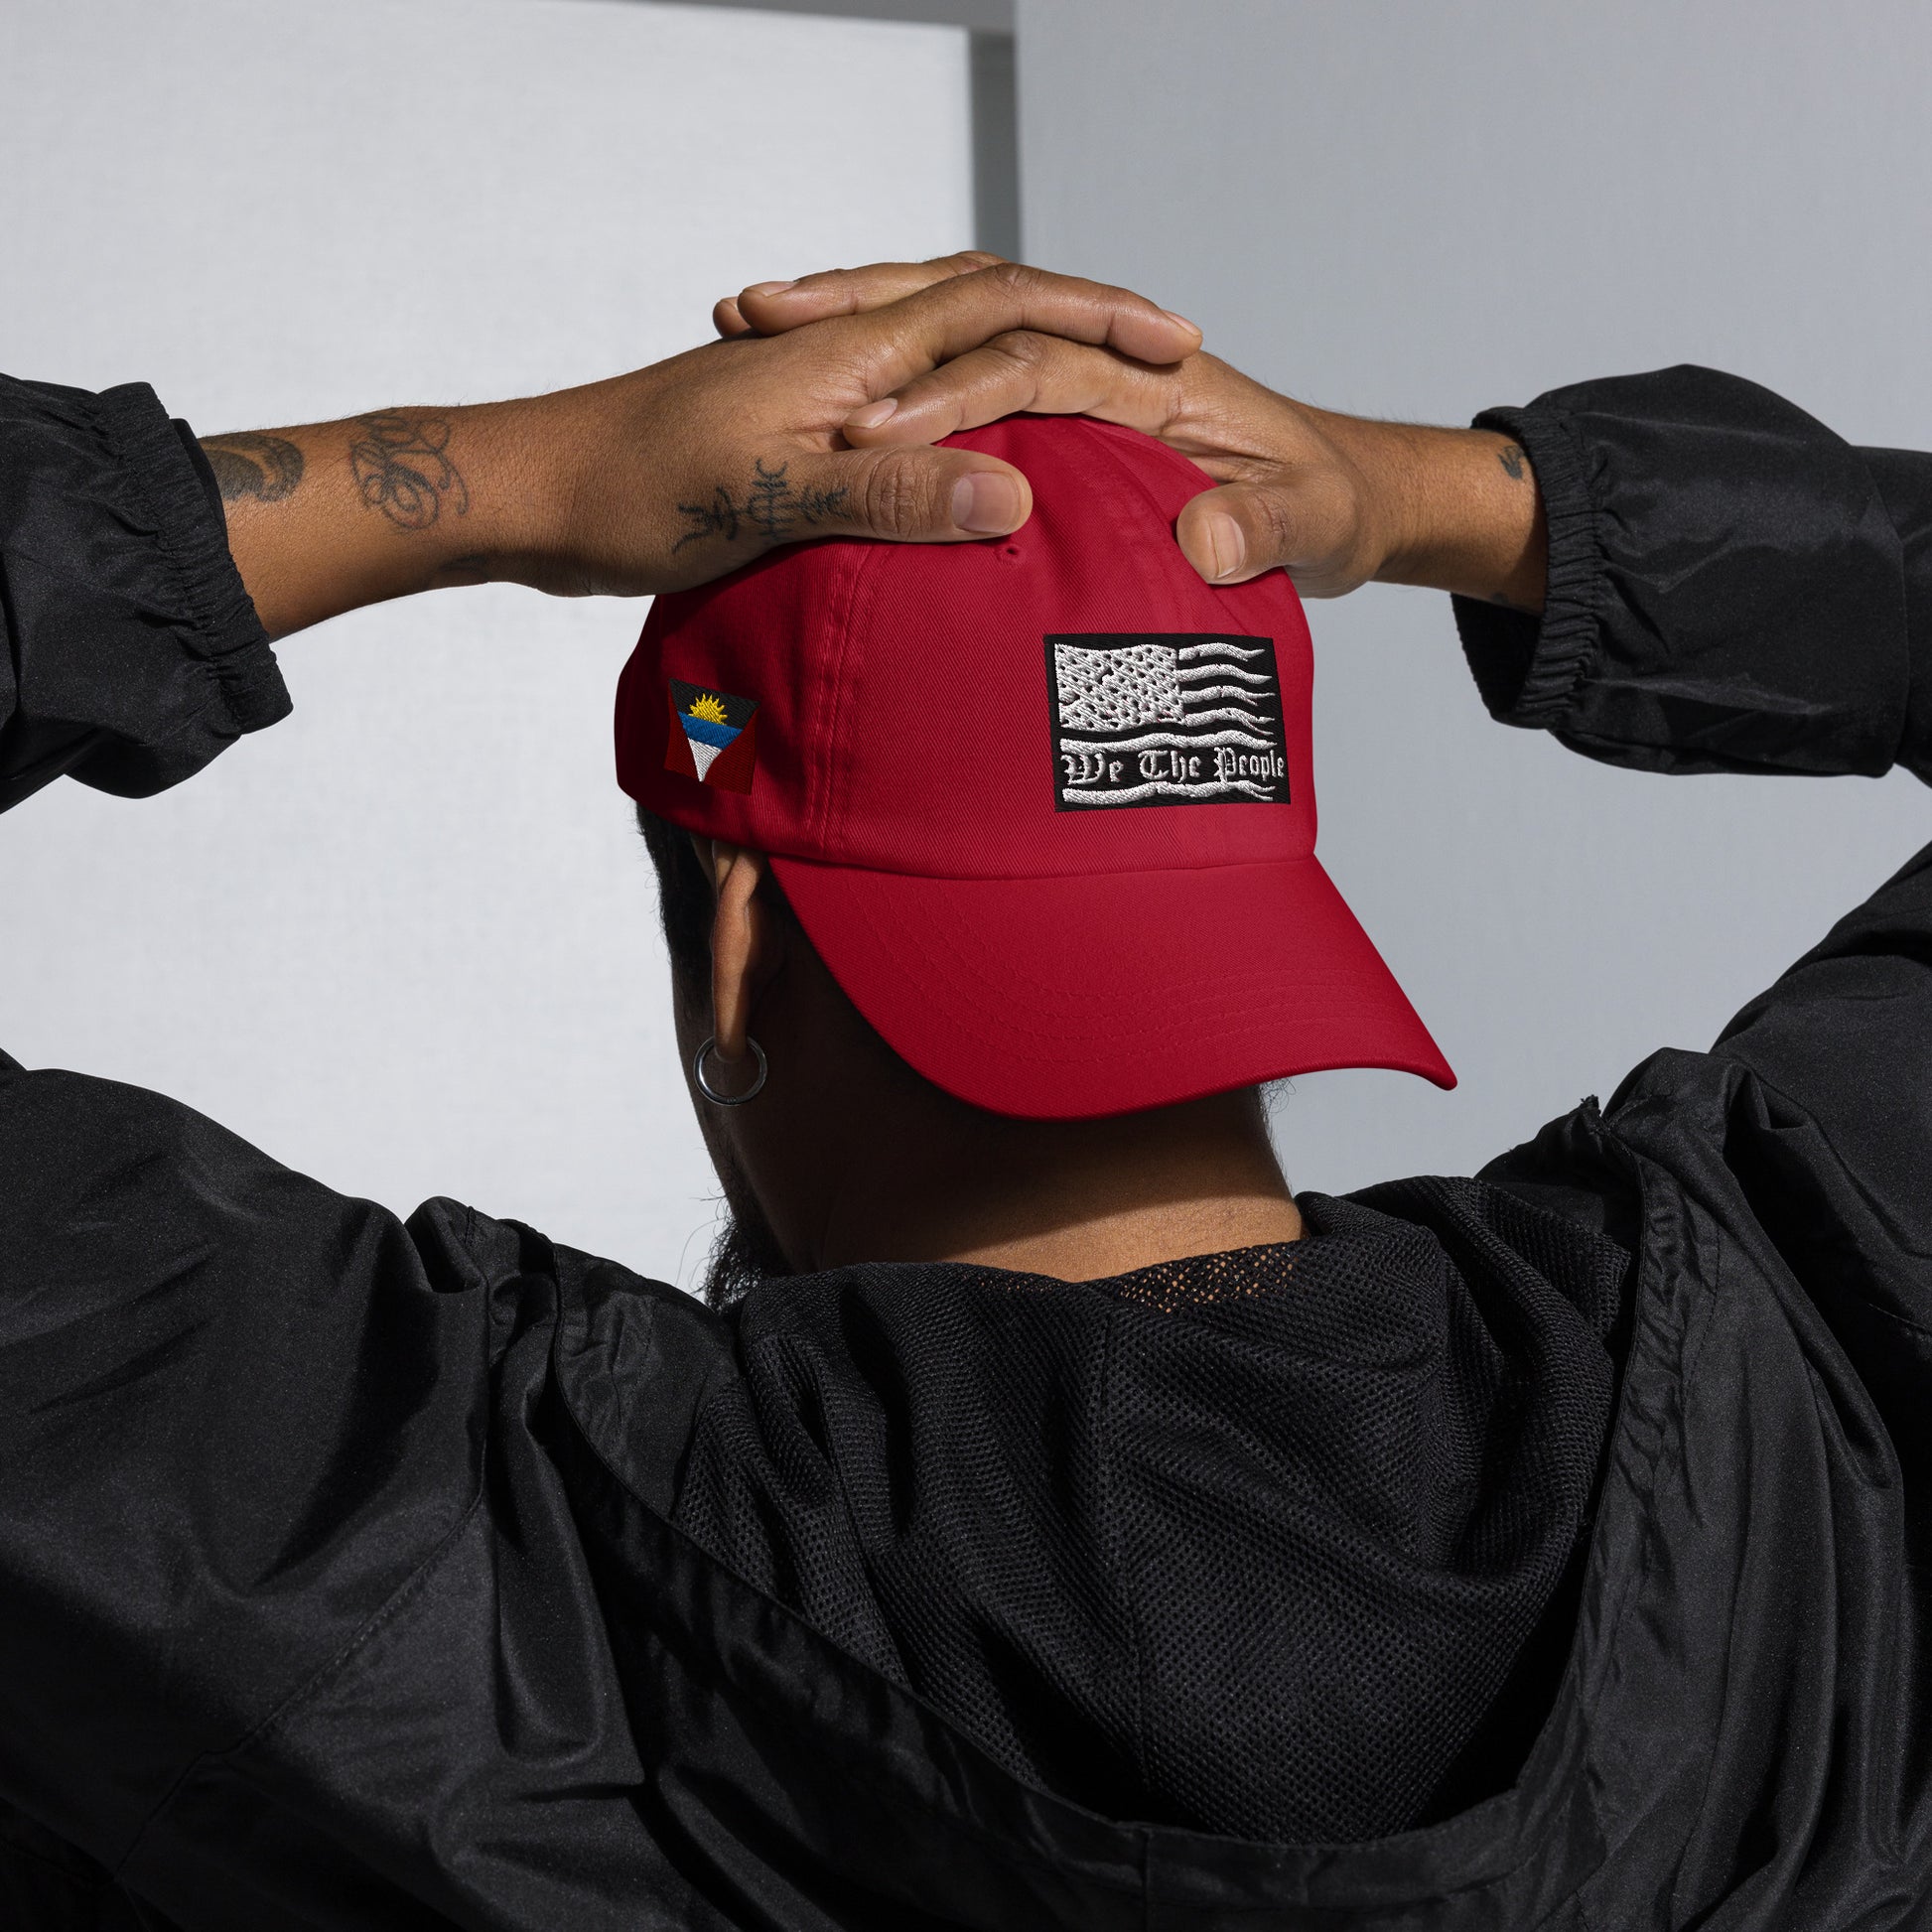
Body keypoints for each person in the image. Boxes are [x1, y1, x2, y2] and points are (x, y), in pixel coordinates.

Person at [0, 252, 1924, 1929]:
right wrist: (1431, 499)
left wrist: (488, 483)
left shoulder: (409, 1538)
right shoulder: (1806, 1368)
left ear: (736, 939)